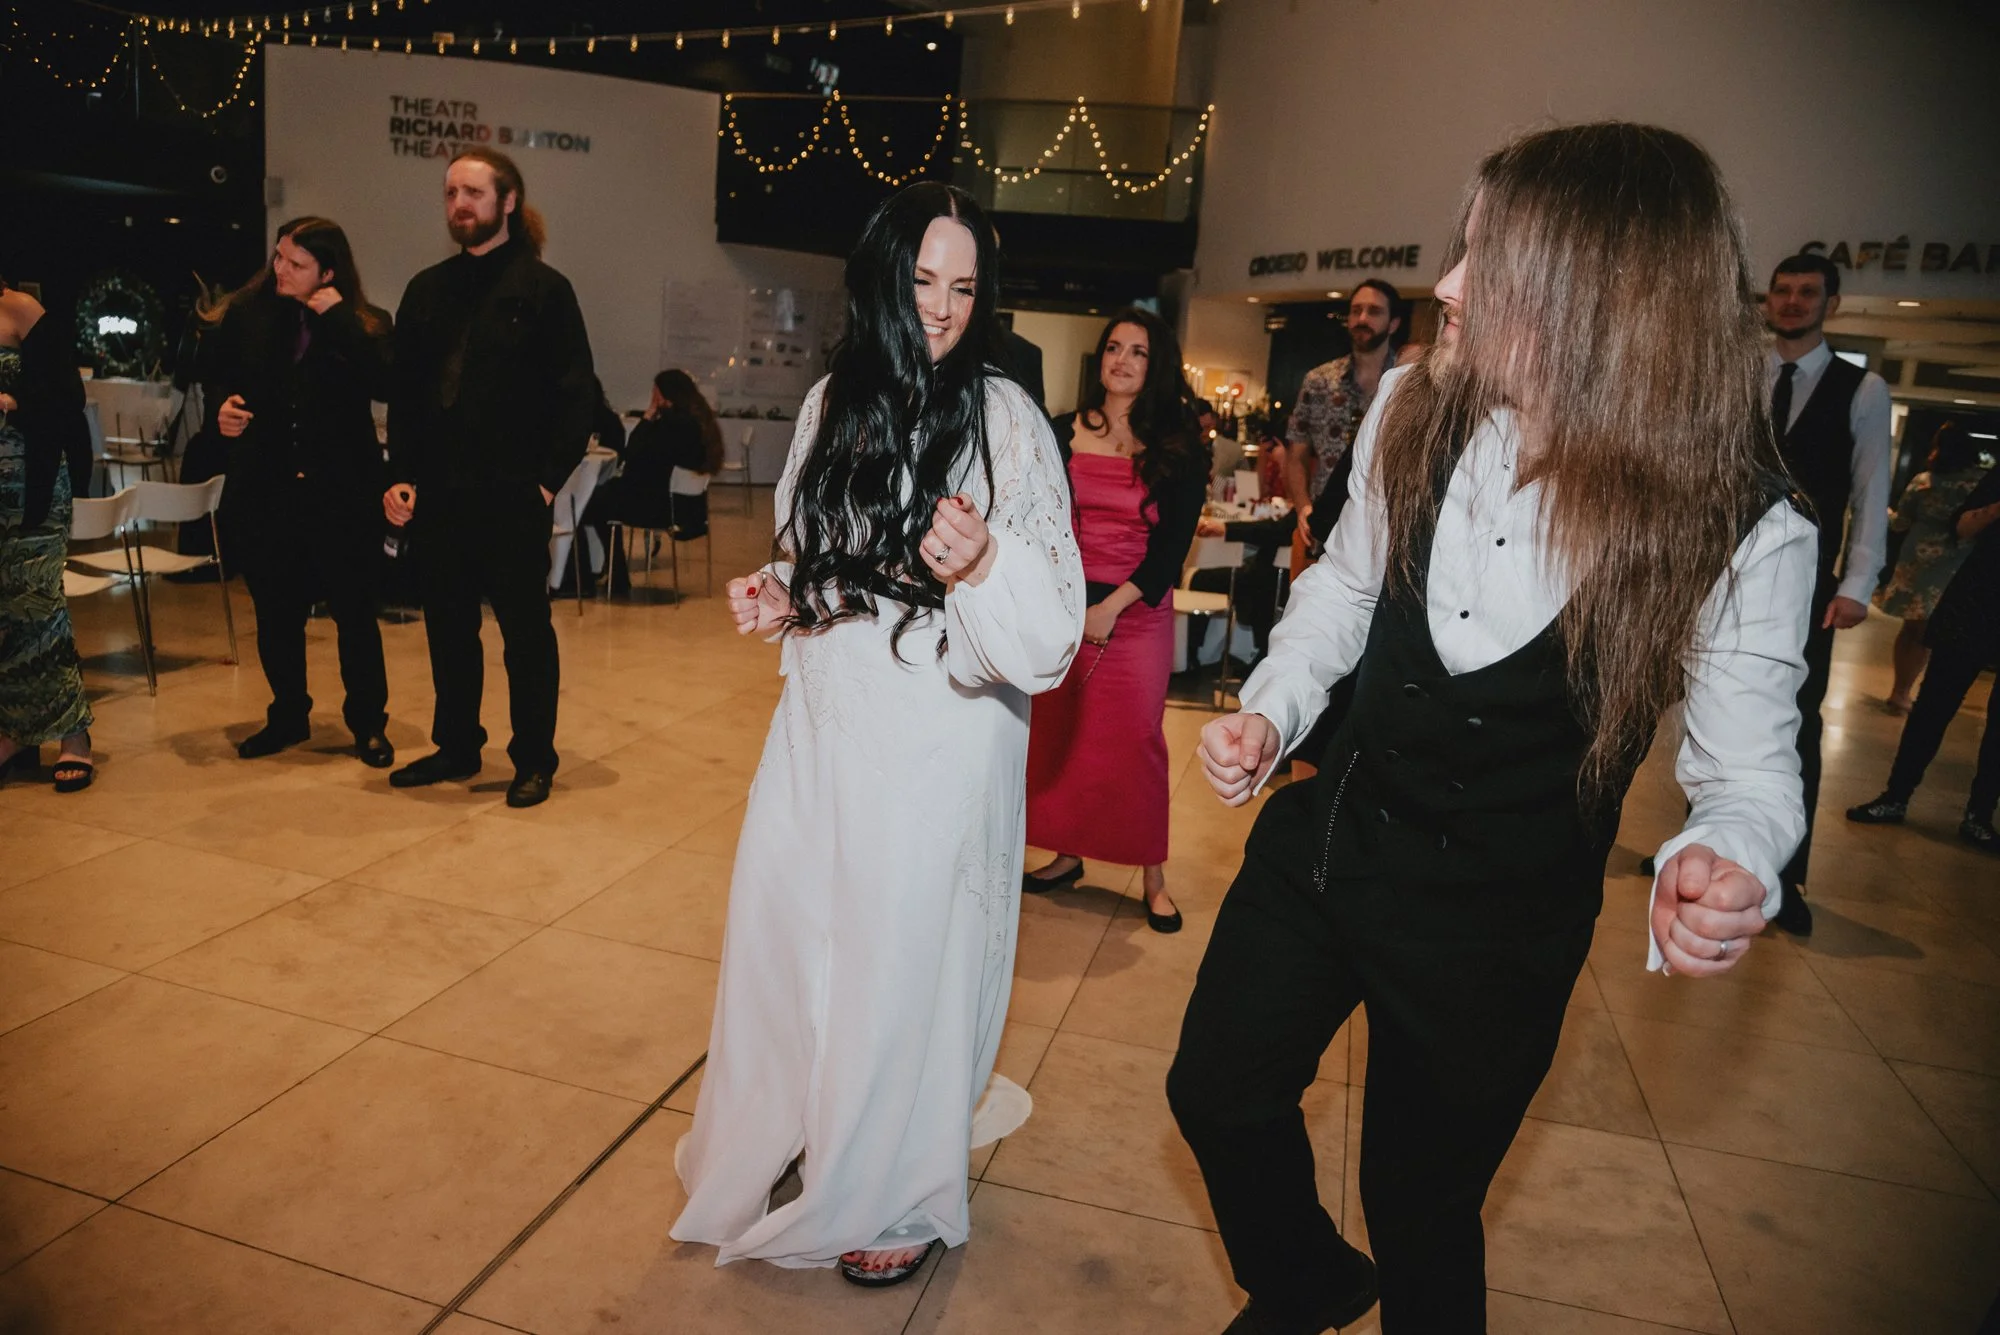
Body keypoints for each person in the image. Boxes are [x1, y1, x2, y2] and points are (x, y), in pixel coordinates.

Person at [1167, 123, 1817, 1335]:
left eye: (1489, 263)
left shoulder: (1745, 525)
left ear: (1602, 303)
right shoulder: (1413, 403)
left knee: (1419, 1210)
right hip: (1331, 845)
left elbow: (1745, 772)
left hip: (1499, 923)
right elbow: (1347, 588)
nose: (1448, 286)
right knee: (1213, 1091)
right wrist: (1273, 705)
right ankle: (1304, 1277)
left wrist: (1725, 857)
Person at [670, 183, 1083, 1286]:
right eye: (919, 283)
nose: (941, 310)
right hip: (823, 721)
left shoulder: (1003, 418)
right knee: (795, 931)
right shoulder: (825, 405)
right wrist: (784, 592)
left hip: (941, 734)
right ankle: (812, 1121)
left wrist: (986, 563)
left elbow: (1048, 636)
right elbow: (824, 558)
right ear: (878, 282)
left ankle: (896, 1183)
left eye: (962, 288)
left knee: (905, 955)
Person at [383, 146, 596, 809]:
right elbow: (409, 398)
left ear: (507, 201)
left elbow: (578, 394)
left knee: (524, 634)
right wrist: (400, 476)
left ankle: (533, 758)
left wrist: (544, 482)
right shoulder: (425, 289)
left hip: (511, 495)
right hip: (441, 496)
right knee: (447, 628)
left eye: (472, 192)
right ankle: (456, 745)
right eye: (450, 193)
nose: (458, 204)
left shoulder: (545, 290)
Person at [1021, 307, 1208, 932]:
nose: (1121, 361)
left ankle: (1152, 875)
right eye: (1113, 348)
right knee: (1064, 733)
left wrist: (1109, 607)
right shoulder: (1059, 431)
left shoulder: (1179, 444)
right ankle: (1067, 854)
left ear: (1156, 368)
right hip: (1064, 609)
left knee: (1135, 744)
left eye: (1138, 352)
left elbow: (1169, 551)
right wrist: (1064, 604)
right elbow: (1037, 523)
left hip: (1137, 611)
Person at [202, 217, 395, 766]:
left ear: (328, 272)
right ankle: (288, 714)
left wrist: (335, 318)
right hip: (268, 489)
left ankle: (368, 724)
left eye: (295, 263)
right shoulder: (251, 313)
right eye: (278, 256)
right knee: (276, 613)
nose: (279, 268)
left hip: (343, 493)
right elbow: (216, 375)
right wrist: (223, 408)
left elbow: (386, 381)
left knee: (355, 615)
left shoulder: (364, 321)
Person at [1759, 252, 1892, 935]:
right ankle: (1706, 844)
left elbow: (1871, 494)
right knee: (1713, 711)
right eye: (1782, 290)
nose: (1791, 301)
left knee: (1797, 725)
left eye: (1807, 292)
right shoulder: (1742, 377)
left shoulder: (1861, 391)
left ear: (1830, 303)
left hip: (1807, 584)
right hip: (1726, 572)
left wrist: (1858, 583)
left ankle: (1786, 874)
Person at [1847, 458, 2000, 851]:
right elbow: (1963, 528)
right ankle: (1895, 797)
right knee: (1934, 706)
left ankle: (1979, 816)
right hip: (1977, 600)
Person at [0, 278, 94, 792]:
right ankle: (15, 731)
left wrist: (11, 399)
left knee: (37, 604)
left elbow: (67, 395)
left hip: (28, 484)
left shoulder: (20, 309)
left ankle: (73, 735)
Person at [1283, 279, 1424, 568]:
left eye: (1374, 311)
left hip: (1384, 537)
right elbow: (1296, 455)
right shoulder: (1319, 381)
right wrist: (1303, 507)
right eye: (1356, 310)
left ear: (1393, 323)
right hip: (1322, 531)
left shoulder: (1412, 382)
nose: (1362, 319)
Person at [1873, 421, 1988, 713]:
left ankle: (1899, 689)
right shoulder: (1978, 484)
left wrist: (1882, 514)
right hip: (1955, 559)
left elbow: (1900, 523)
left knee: (1911, 629)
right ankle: (1911, 692)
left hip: (1917, 557)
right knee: (1931, 632)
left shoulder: (1924, 481)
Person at [581, 368, 723, 595]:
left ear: (663, 395)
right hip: (687, 508)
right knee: (602, 499)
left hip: (658, 507)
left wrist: (648, 416)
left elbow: (633, 454)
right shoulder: (697, 423)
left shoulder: (670, 424)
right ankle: (614, 575)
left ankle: (604, 576)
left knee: (589, 502)